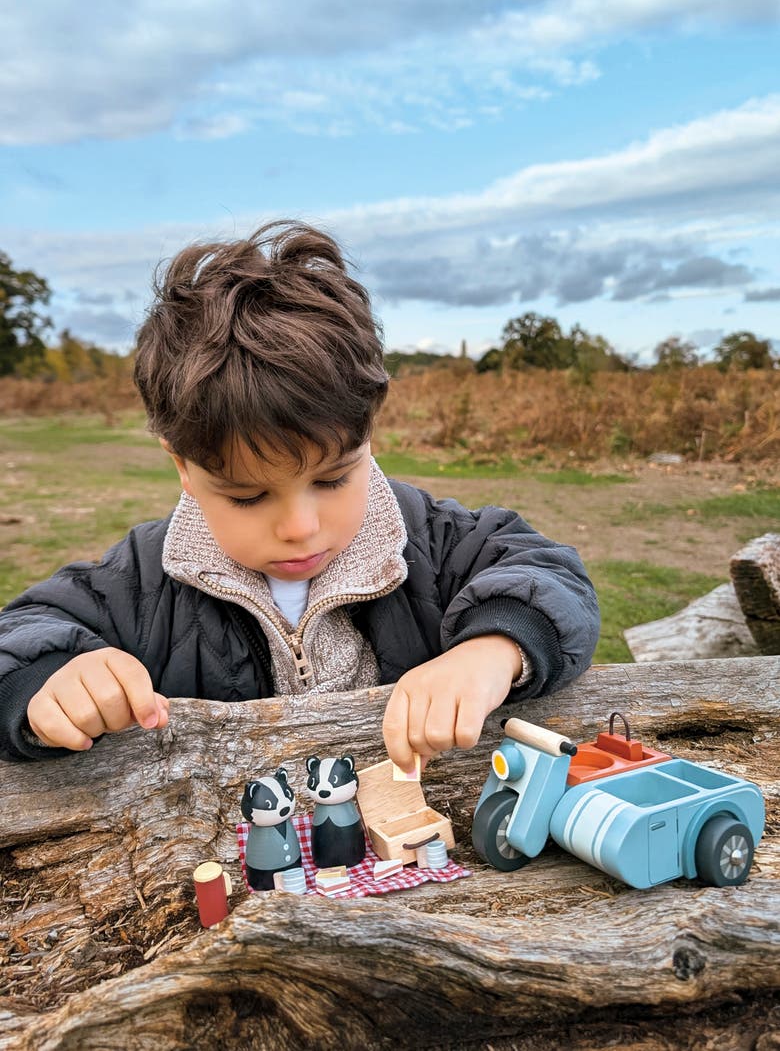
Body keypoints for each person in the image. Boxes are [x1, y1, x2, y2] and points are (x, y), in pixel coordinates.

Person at [0, 222, 599, 766]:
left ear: (368, 436)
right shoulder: (144, 580)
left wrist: (494, 648)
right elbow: (22, 632)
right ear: (183, 466)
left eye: (332, 479)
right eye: (247, 496)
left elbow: (550, 573)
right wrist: (52, 681)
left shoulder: (433, 539)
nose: (299, 527)